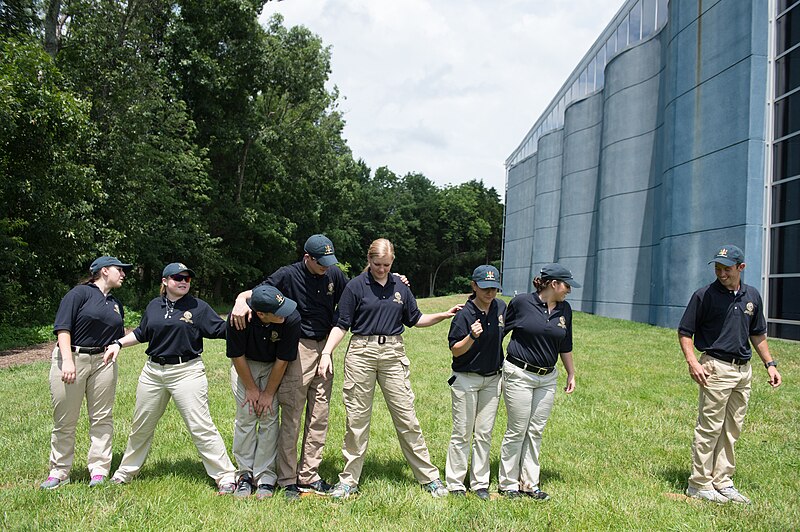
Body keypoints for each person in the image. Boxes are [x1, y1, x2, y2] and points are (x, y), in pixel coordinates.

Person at [319, 238, 461, 499]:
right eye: (376, 264)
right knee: (357, 421)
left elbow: (415, 319)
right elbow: (342, 324)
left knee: (407, 417)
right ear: (369, 260)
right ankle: (348, 480)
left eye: (386, 264)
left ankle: (429, 477)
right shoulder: (355, 286)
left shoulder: (401, 287)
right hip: (361, 353)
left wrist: (443, 314)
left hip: (394, 354)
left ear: (392, 261)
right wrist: (327, 352)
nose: (381, 269)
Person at [229, 234, 348, 499]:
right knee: (292, 412)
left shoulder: (334, 275)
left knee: (320, 412)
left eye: (329, 262)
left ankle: (309, 475)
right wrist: (240, 298)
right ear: (307, 258)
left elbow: (353, 295)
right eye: (321, 263)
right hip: (299, 346)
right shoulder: (288, 274)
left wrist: (396, 279)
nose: (326, 267)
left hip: (326, 345)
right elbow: (261, 292)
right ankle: (287, 478)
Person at [103, 262, 238, 494]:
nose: (184, 281)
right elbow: (142, 332)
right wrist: (118, 343)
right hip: (153, 373)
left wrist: (251, 325)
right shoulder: (155, 305)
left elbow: (224, 330)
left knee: (200, 426)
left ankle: (225, 475)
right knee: (141, 426)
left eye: (187, 278)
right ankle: (125, 473)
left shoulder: (198, 307)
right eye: (178, 278)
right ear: (165, 282)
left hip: (187, 372)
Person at [678, 244, 782, 504]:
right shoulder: (704, 295)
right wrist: (693, 363)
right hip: (715, 368)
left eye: (726, 269)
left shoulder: (752, 296)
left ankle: (722, 481)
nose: (721, 273)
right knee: (710, 427)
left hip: (742, 371)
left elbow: (757, 333)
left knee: (731, 429)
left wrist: (770, 364)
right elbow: (685, 332)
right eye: (717, 268)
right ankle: (699, 484)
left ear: (741, 268)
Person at [41, 256, 132, 489]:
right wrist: (68, 361)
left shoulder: (115, 303)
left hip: (103, 363)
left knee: (102, 418)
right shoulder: (78, 294)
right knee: (65, 419)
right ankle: (59, 471)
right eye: (119, 270)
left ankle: (99, 470)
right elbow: (63, 328)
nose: (123, 274)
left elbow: (116, 335)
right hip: (72, 358)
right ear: (103, 271)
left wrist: (116, 346)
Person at [498, 263, 578, 500]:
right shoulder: (522, 303)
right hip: (519, 374)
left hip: (547, 378)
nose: (569, 290)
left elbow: (565, 344)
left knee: (536, 431)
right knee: (517, 429)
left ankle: (529, 484)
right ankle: (508, 484)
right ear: (554, 284)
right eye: (567, 285)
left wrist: (571, 373)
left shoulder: (566, 310)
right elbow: (501, 333)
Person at [227, 285, 301, 500]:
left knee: (269, 417)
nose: (284, 314)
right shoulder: (238, 319)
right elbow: (237, 355)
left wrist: (268, 393)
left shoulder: (290, 317)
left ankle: (266, 477)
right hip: (245, 366)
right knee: (246, 417)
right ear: (261, 314)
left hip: (273, 367)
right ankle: (244, 475)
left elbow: (283, 360)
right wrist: (251, 388)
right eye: (278, 312)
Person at [445, 265, 506, 500]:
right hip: (466, 379)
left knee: (484, 433)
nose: (489, 293)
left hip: (492, 379)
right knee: (462, 432)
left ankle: (480, 482)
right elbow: (455, 351)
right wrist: (471, 336)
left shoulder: (501, 308)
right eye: (484, 288)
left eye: (493, 288)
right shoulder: (464, 314)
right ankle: (456, 482)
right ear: (473, 286)